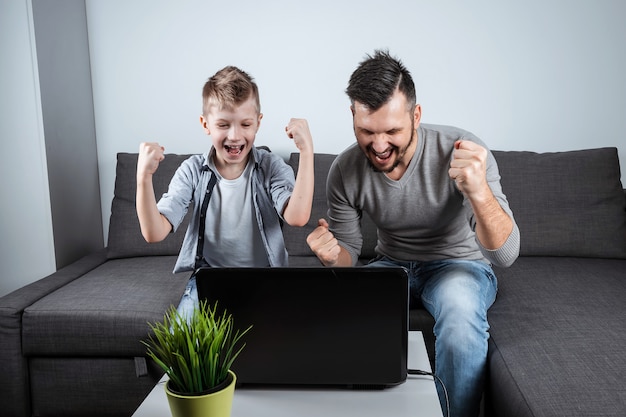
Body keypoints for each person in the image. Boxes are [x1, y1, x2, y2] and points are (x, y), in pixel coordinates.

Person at [306, 50, 520, 417]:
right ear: (353, 117)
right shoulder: (344, 169)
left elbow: (505, 255)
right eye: (367, 131)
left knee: (459, 316)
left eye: (392, 131)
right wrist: (331, 256)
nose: (379, 145)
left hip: (460, 265)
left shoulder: (462, 149)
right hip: (391, 266)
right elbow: (349, 252)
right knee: (336, 310)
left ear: (416, 116)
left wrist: (479, 190)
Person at [136, 66, 314, 318]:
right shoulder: (192, 171)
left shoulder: (271, 166)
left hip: (266, 279)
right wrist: (143, 179)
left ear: (258, 123)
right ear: (205, 124)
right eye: (223, 124)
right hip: (210, 279)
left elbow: (297, 217)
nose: (234, 135)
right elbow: (154, 233)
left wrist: (307, 152)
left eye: (245, 124)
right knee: (184, 347)